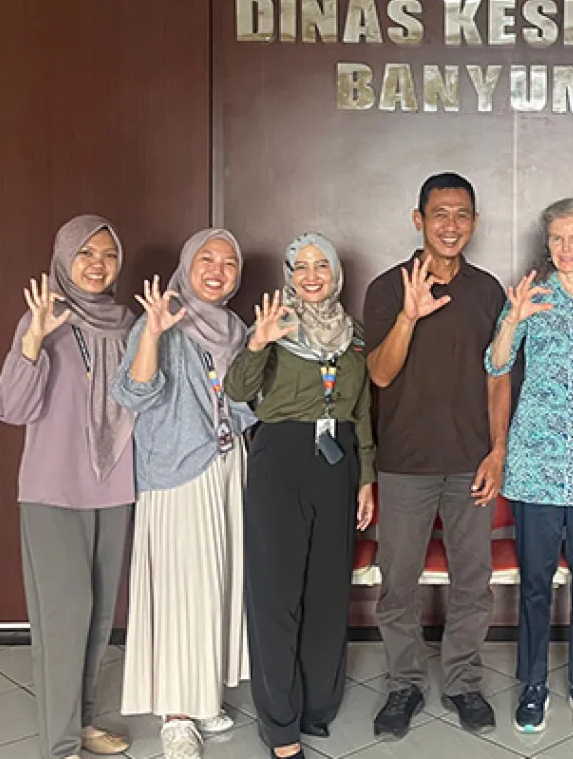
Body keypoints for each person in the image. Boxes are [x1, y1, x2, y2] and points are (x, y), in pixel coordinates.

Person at [363, 172, 510, 739]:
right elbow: (379, 373)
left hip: (470, 461)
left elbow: (499, 378)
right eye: (440, 213)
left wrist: (498, 451)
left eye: (463, 214)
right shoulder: (385, 288)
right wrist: (409, 314)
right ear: (418, 219)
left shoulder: (488, 291)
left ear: (474, 223)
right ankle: (404, 684)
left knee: (472, 581)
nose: (452, 224)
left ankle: (464, 683)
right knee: (397, 582)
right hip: (404, 464)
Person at [0, 215, 136, 759]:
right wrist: (32, 340)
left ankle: (86, 720)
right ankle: (61, 744)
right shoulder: (44, 317)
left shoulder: (128, 323)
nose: (98, 265)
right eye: (85, 254)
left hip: (114, 484)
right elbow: (12, 408)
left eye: (108, 254)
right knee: (63, 616)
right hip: (53, 489)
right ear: (64, 259)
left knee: (98, 617)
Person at [225, 233, 376, 759]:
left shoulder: (354, 334)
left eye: (322, 266)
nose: (312, 275)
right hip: (280, 459)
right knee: (276, 594)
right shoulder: (272, 324)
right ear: (289, 274)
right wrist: (257, 343)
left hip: (337, 459)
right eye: (301, 266)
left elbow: (362, 411)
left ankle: (317, 707)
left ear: (336, 273)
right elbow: (237, 391)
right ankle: (281, 724)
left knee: (327, 591)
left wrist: (366, 477)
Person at [484, 198, 573, 734]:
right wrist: (512, 319)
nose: (565, 249)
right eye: (557, 239)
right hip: (535, 465)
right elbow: (496, 363)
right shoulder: (531, 298)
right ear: (548, 244)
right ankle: (533, 685)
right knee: (536, 584)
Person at [112, 229, 254, 759]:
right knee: (178, 590)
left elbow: (242, 405)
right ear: (186, 265)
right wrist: (151, 334)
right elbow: (135, 393)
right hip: (174, 471)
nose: (217, 270)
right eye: (206, 259)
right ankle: (176, 712)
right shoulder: (164, 317)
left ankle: (204, 693)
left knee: (216, 582)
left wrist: (258, 351)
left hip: (225, 466)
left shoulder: (235, 328)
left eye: (229, 263)